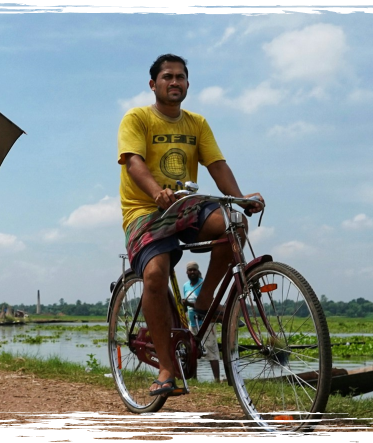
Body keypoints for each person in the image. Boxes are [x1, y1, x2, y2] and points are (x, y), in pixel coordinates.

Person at [118, 54, 262, 397]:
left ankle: (204, 299)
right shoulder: (137, 118)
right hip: (145, 209)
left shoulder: (197, 123)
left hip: (187, 206)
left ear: (187, 84)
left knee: (233, 224)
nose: (175, 82)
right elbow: (133, 163)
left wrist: (240, 198)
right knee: (154, 274)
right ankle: (167, 369)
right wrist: (156, 191)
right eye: (167, 77)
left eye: (181, 77)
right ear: (153, 84)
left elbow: (217, 165)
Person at [182, 262, 220, 382]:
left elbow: (207, 304)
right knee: (193, 351)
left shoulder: (203, 285)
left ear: (198, 272)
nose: (192, 272)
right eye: (190, 270)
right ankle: (194, 378)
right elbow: (185, 307)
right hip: (192, 324)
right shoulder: (185, 286)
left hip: (206, 322)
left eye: (194, 270)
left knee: (211, 350)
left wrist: (188, 303)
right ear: (187, 273)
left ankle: (217, 379)